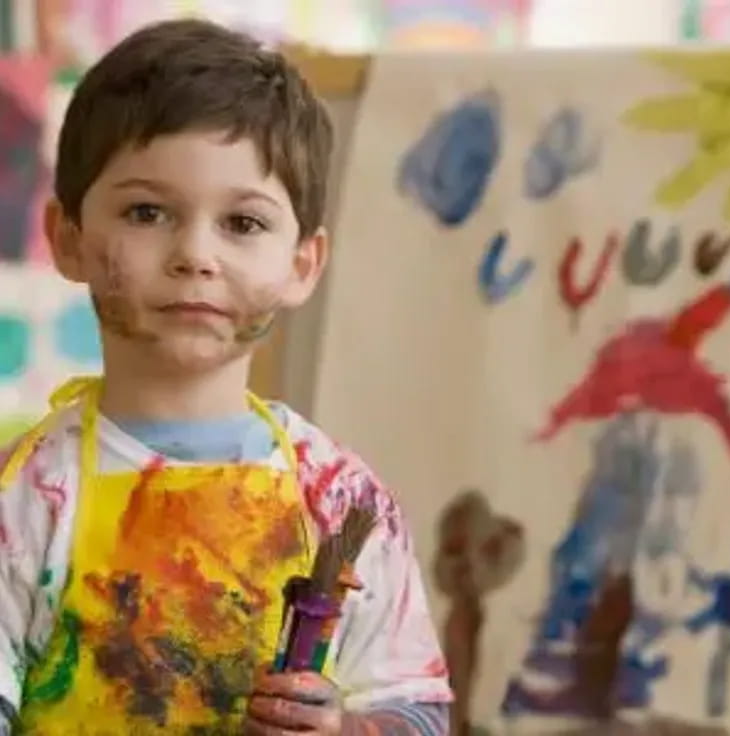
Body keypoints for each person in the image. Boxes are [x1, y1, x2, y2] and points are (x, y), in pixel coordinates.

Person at [0, 18, 452, 735]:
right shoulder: (23, 497)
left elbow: (417, 712)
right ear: (68, 239)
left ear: (302, 263)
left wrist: (345, 730)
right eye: (148, 212)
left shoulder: (339, 501)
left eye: (242, 223)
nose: (195, 255)